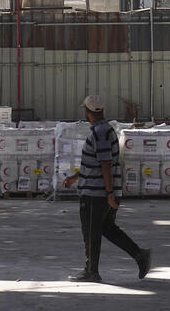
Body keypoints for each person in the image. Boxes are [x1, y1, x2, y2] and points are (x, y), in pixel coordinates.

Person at [62, 95, 151, 283]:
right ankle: (140, 255)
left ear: (87, 112)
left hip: (96, 194)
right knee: (107, 228)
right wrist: (75, 178)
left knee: (91, 232)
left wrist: (110, 193)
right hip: (101, 191)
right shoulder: (104, 130)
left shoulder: (100, 132)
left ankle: (91, 271)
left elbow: (105, 164)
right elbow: (96, 162)